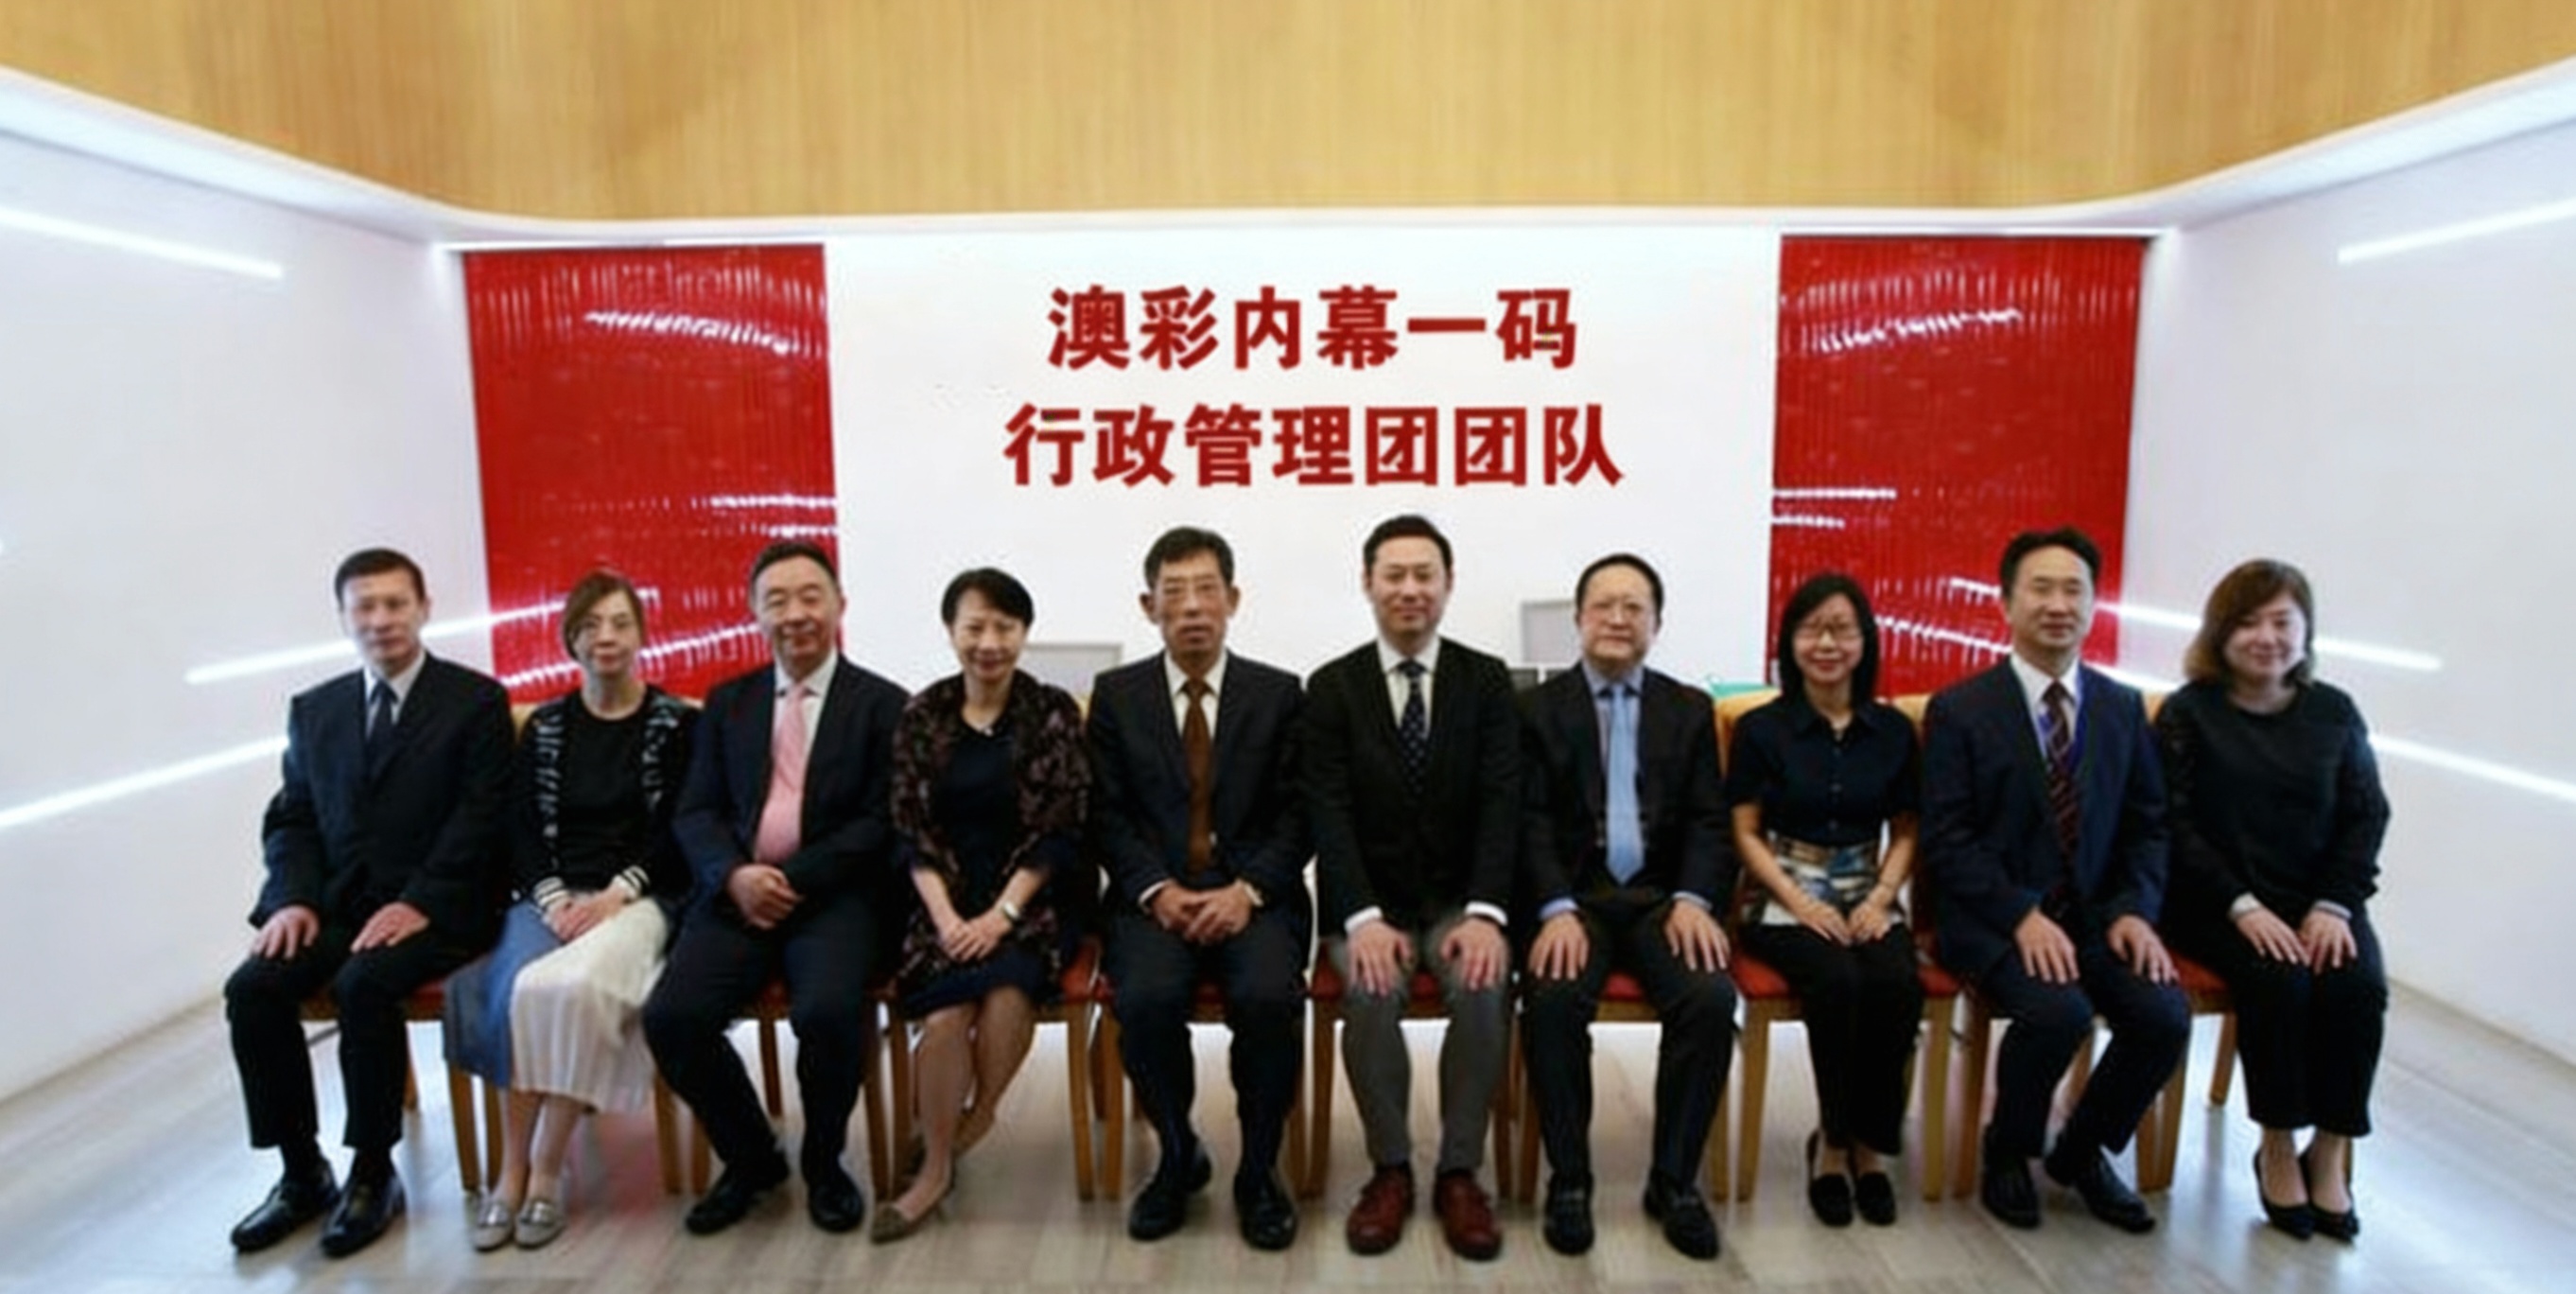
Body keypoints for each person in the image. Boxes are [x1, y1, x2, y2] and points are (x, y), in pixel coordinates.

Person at [223, 548, 513, 1258]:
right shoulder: (314, 710)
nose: (381, 620)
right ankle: (302, 1172)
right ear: (343, 617)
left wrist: (422, 900)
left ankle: (373, 1171)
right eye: (365, 607)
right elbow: (292, 819)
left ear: (423, 609)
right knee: (253, 988)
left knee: (365, 983)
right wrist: (291, 900)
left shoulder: (475, 701)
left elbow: (484, 818)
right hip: (338, 909)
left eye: (395, 604)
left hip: (443, 909)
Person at [1923, 527, 2187, 1234]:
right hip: (1994, 920)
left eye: (2074, 590)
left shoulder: (2123, 708)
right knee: (2056, 1013)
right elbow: (1948, 840)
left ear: (2095, 604)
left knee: (2163, 1016)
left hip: (2099, 919)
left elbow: (2148, 826)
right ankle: (2009, 1151)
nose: (2058, 604)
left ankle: (2081, 1151)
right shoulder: (1960, 709)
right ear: (2006, 603)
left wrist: (2134, 910)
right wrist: (2020, 915)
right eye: (2040, 588)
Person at [642, 540, 907, 1237]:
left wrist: (791, 878)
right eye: (777, 600)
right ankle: (752, 1158)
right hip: (736, 894)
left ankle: (824, 1164)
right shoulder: (728, 703)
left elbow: (882, 820)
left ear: (840, 605)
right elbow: (696, 812)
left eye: (810, 597)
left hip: (835, 898)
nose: (795, 614)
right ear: (754, 612)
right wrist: (734, 875)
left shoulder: (882, 704)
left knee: (829, 1012)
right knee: (672, 1017)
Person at [444, 569, 698, 1250]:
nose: (605, 637)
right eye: (589, 626)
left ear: (641, 634)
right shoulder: (545, 726)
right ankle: (509, 1173)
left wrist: (616, 893)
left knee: (572, 989)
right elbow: (520, 828)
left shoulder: (678, 724)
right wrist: (555, 900)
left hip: (639, 898)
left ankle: (547, 1172)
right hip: (552, 898)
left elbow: (680, 829)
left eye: (619, 623)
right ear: (570, 640)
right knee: (514, 991)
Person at [1304, 514, 1521, 1261]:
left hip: (1463, 901)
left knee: (1485, 983)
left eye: (1424, 574)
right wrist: (1361, 917)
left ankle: (1459, 1172)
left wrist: (1487, 913)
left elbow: (1502, 803)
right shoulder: (1332, 687)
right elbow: (1327, 812)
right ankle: (1390, 1169)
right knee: (1369, 990)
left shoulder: (1486, 681)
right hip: (1370, 903)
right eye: (1393, 575)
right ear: (1367, 583)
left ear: (1448, 584)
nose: (1409, 589)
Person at [2155, 559, 2390, 1243]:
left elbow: (2366, 814)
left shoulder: (2335, 711)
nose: (2267, 637)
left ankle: (2332, 1148)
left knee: (2357, 986)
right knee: (2278, 979)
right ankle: (2278, 1144)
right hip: (2215, 902)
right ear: (2220, 633)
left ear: (2305, 631)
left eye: (2283, 622)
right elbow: (2173, 826)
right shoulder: (2189, 713)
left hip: (2318, 901)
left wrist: (2335, 904)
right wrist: (2243, 905)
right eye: (2249, 623)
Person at [1089, 527, 1309, 1250]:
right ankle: (1178, 1152)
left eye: (1206, 590)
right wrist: (1155, 889)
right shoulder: (1116, 696)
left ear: (1233, 599)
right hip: (1155, 900)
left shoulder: (1279, 694)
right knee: (1146, 1000)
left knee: (1269, 998)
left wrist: (1248, 890)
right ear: (1148, 605)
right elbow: (1106, 815)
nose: (1191, 607)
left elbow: (1299, 814)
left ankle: (1258, 1169)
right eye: (1174, 592)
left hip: (1254, 897)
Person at [1517, 552, 1734, 1260]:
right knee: (1552, 998)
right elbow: (1529, 822)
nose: (1617, 619)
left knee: (1709, 998)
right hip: (1574, 898)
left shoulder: (1689, 710)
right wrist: (1553, 907)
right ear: (1579, 618)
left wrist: (1696, 899)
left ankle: (1673, 1181)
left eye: (1633, 607)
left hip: (1660, 901)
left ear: (1656, 623)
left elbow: (1709, 820)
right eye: (1603, 606)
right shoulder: (1535, 710)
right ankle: (1570, 1179)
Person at [871, 568, 1089, 1243]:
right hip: (942, 903)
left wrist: (1002, 916)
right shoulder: (923, 713)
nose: (989, 642)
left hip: (1035, 902)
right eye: (975, 627)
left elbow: (1061, 826)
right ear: (951, 632)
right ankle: (937, 1166)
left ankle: (979, 1115)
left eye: (1004, 627)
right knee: (944, 1019)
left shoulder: (1051, 711)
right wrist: (946, 919)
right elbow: (909, 827)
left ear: (1024, 633)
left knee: (1006, 993)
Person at [1728, 573, 1925, 1229]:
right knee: (1837, 980)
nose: (1827, 643)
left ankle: (1872, 1147)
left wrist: (1883, 898)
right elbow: (1744, 831)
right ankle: (1834, 1149)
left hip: (1867, 889)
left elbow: (1907, 830)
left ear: (1865, 640)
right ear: (1791, 641)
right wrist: (1799, 901)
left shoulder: (1893, 731)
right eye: (1812, 629)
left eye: (1842, 628)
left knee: (1896, 982)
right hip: (1780, 892)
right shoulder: (1762, 729)